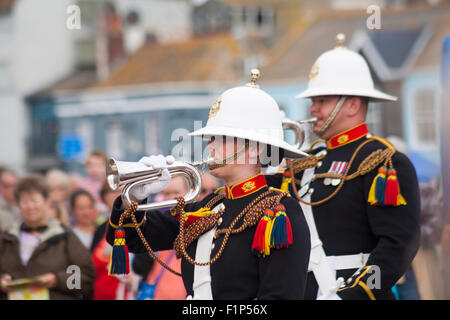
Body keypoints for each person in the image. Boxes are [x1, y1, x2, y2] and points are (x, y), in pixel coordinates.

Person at [106, 70, 311, 300]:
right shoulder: (206, 207)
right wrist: (134, 196)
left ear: (255, 148)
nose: (210, 146)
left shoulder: (280, 212)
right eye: (211, 138)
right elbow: (126, 237)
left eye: (221, 138)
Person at [266, 34, 420, 300]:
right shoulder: (306, 160)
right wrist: (263, 150)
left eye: (322, 100)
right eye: (313, 101)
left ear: (352, 104)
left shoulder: (382, 160)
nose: (312, 108)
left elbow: (398, 246)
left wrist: (355, 294)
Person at [0, 174, 95, 300]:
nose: (30, 206)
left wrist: (56, 279)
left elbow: (86, 278)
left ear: (47, 201)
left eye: (35, 200)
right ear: (18, 205)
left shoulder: (64, 237)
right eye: (25, 201)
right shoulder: (7, 239)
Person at [135, 175, 189, 300]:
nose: (171, 198)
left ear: (188, 192)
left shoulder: (197, 222)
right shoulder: (155, 223)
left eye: (176, 193)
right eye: (166, 193)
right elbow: (139, 267)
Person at [91, 180, 139, 300]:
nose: (118, 195)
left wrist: (137, 278)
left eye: (122, 191)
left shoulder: (139, 225)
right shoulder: (101, 228)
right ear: (104, 196)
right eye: (112, 191)